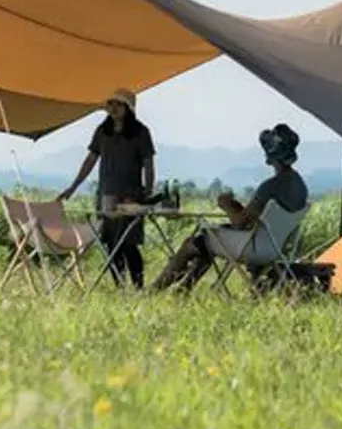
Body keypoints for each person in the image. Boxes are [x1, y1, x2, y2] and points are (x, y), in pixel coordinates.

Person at [153, 123, 307, 291]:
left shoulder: (270, 187)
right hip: (275, 248)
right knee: (205, 242)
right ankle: (183, 289)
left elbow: (240, 223)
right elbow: (253, 216)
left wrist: (225, 204)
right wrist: (235, 206)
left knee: (195, 242)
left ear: (270, 155)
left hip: (252, 248)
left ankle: (156, 289)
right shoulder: (300, 186)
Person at [58, 88, 155, 289]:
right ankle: (120, 286)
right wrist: (73, 187)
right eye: (110, 103)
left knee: (129, 242)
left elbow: (148, 163)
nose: (113, 108)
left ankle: (138, 288)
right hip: (107, 195)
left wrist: (148, 191)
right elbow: (90, 160)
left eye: (118, 104)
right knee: (111, 243)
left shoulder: (140, 132)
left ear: (128, 107)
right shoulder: (103, 131)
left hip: (131, 196)